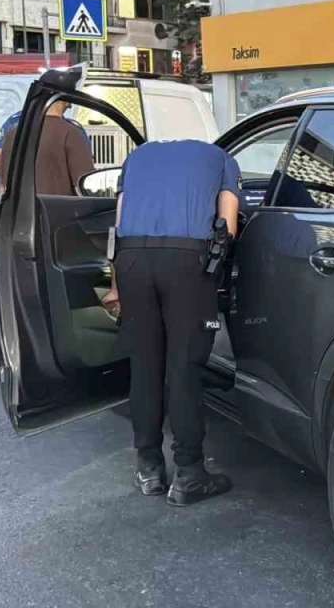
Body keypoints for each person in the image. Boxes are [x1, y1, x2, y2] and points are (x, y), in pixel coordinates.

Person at [101, 139, 240, 506]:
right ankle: (189, 474)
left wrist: (116, 284)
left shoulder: (136, 158)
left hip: (132, 260)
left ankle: (149, 470)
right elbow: (228, 225)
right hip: (186, 262)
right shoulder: (221, 159)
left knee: (144, 365)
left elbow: (118, 225)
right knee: (184, 368)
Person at [0, 101, 96, 383]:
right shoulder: (70, 133)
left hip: (19, 225)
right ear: (65, 102)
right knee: (61, 294)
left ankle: (4, 358)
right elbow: (85, 185)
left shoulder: (15, 132)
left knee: (17, 291)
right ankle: (65, 363)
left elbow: (3, 179)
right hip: (56, 227)